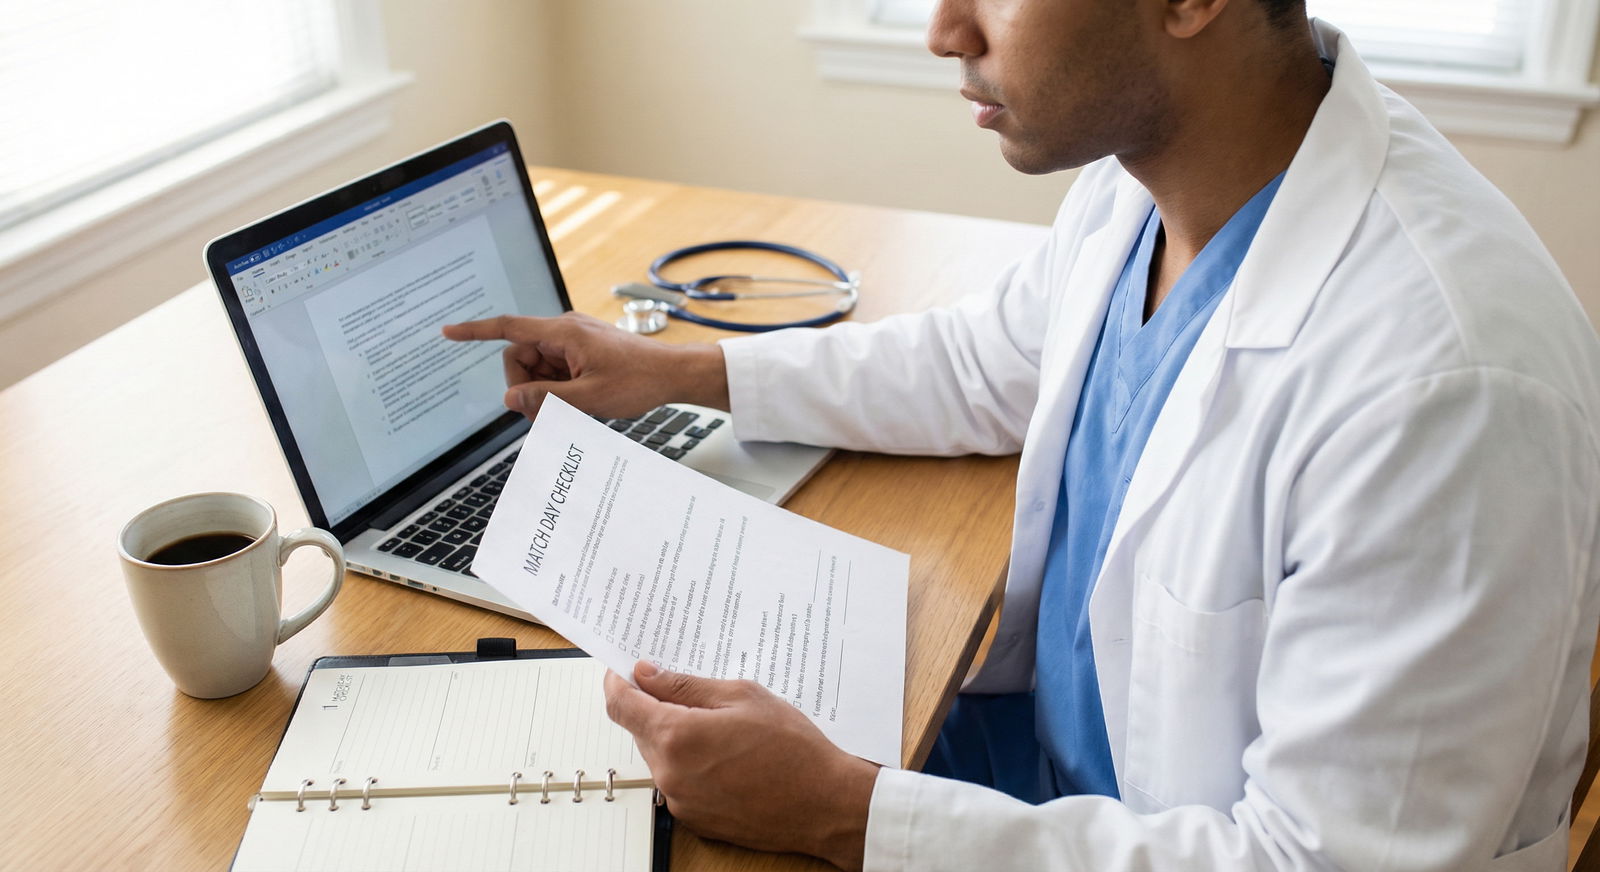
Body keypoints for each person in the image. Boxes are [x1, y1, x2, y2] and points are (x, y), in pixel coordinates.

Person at [442, 0, 1600, 869]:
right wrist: (676, 368)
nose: (945, 29)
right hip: (1033, 778)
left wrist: (845, 809)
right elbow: (985, 358)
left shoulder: (1444, 386)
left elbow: (1314, 860)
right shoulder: (1155, 175)